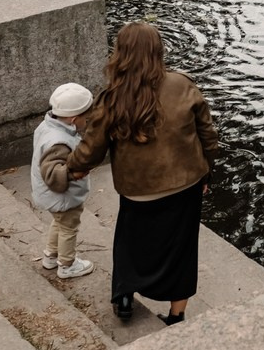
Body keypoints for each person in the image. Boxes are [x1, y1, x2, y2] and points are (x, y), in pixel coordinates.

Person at [65, 22, 218, 325]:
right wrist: (206, 174)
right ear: (159, 51)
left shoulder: (111, 97)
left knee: (130, 242)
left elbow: (91, 150)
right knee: (182, 249)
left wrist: (70, 167)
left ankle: (124, 297)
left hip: (138, 190)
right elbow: (208, 136)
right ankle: (177, 315)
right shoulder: (183, 85)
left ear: (119, 54)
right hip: (185, 184)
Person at [31, 82, 96, 280]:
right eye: (86, 118)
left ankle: (51, 256)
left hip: (50, 197)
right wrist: (73, 174)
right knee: (69, 227)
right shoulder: (59, 141)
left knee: (59, 223)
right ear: (74, 119)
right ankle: (67, 265)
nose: (87, 121)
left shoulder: (46, 126)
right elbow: (51, 173)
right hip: (63, 197)